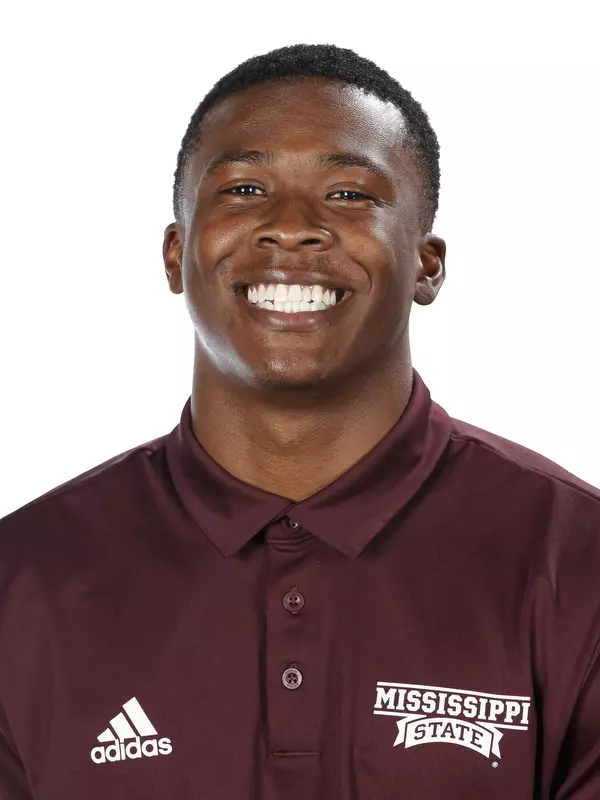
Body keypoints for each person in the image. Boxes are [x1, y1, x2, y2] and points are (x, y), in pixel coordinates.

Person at [0, 42, 598, 800]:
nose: (292, 229)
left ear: (427, 263)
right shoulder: (22, 580)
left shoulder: (577, 564)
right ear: (175, 253)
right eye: (245, 188)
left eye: (348, 194)